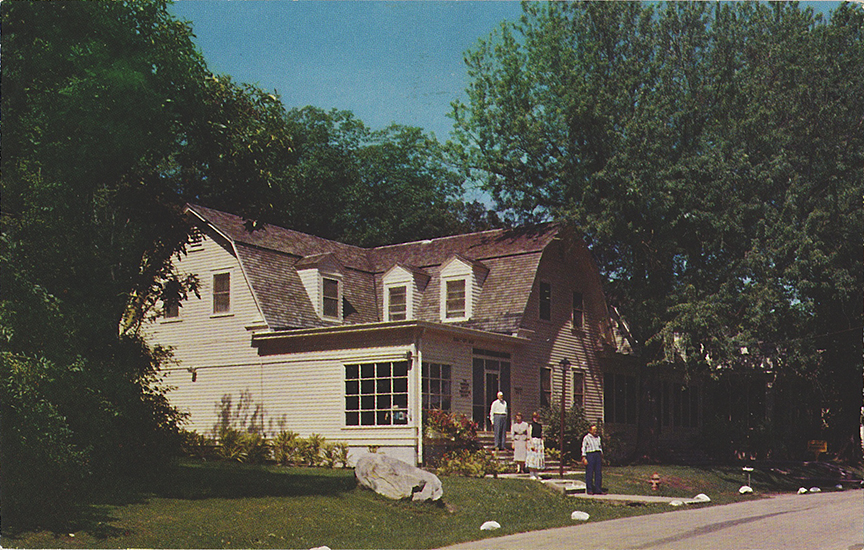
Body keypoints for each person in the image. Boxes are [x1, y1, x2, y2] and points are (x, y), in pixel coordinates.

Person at [581, 424, 605, 494]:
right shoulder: (586, 438)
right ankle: (590, 489)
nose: (595, 431)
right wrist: (584, 458)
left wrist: (601, 455)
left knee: (598, 473)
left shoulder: (598, 438)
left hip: (597, 455)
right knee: (589, 472)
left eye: (596, 430)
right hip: (590, 455)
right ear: (590, 430)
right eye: (593, 430)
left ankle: (598, 489)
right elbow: (583, 448)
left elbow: (600, 447)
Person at [525, 411, 545, 479]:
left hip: (538, 442)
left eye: (537, 417)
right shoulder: (531, 425)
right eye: (534, 417)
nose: (536, 419)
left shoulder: (540, 426)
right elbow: (529, 435)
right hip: (533, 441)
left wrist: (542, 443)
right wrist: (531, 444)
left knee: (538, 458)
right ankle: (531, 473)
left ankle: (536, 473)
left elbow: (541, 435)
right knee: (532, 457)